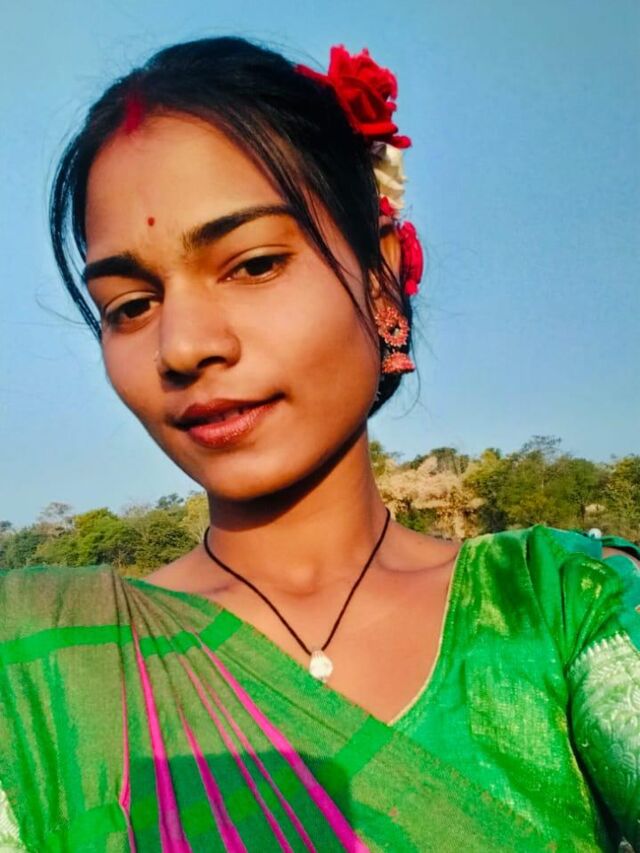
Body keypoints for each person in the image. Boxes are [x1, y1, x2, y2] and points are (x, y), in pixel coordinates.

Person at [0, 36, 638, 852]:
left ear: (381, 282)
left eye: (254, 264)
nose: (182, 346)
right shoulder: (47, 666)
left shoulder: (563, 608)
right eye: (130, 305)